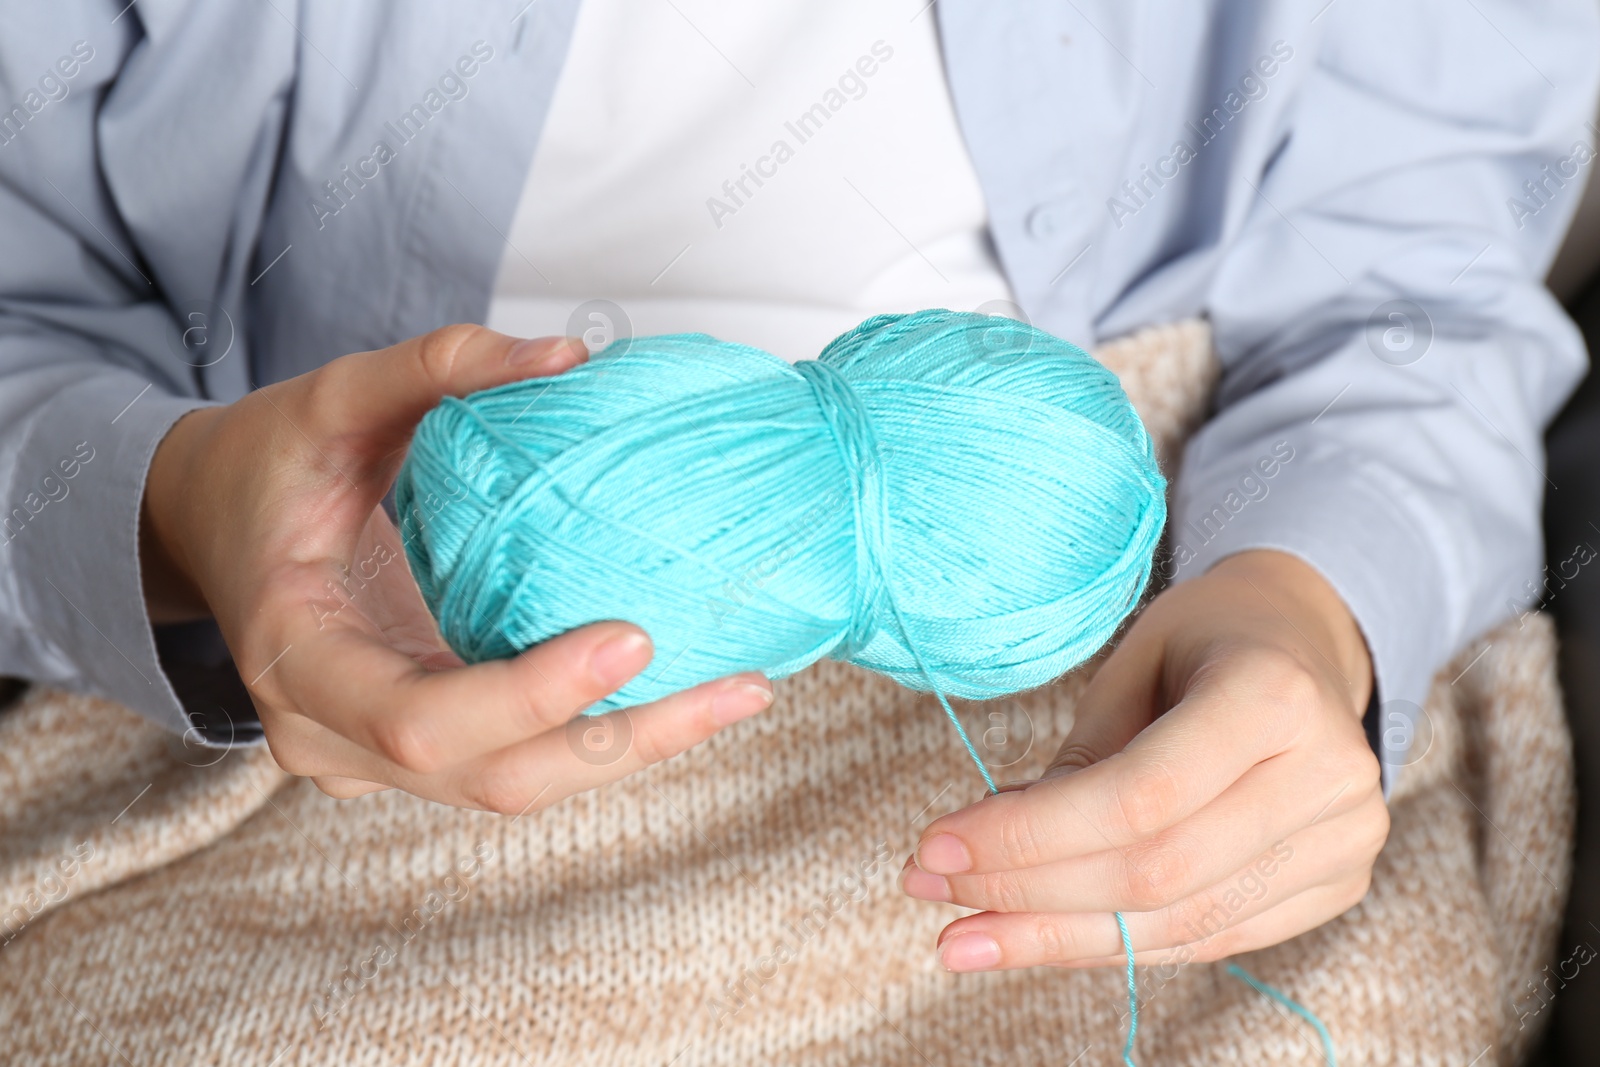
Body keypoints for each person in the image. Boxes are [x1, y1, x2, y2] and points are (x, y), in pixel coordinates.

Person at [1, 0, 1594, 979]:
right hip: (313, 693)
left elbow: (1418, 291)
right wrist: (169, 507)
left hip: (1130, 643)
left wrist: (1300, 613)